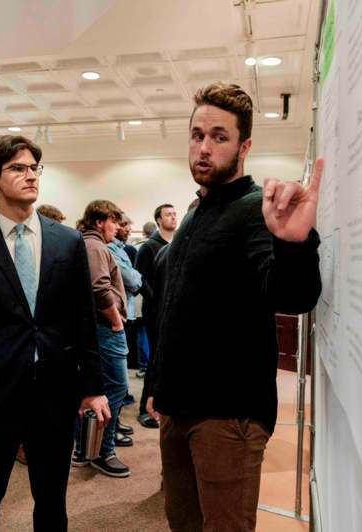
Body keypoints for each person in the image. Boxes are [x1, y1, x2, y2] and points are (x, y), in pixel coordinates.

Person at [146, 83, 323, 531]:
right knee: (182, 523)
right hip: (177, 409)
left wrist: (293, 243)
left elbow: (293, 296)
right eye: (197, 134)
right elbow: (172, 311)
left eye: (219, 137)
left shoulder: (252, 210)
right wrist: (157, 387)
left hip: (228, 416)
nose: (204, 147)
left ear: (244, 146)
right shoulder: (194, 213)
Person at [0, 135, 109, 531]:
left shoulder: (67, 241)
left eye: (35, 167)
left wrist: (92, 387)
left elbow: (83, 321)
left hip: (54, 392)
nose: (31, 175)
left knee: (52, 500)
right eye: (18, 168)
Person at [73, 200, 132, 477]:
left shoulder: (86, 244)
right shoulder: (95, 246)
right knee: (115, 388)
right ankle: (101, 451)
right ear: (99, 221)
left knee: (97, 389)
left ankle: (86, 448)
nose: (117, 227)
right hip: (105, 328)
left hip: (99, 328)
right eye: (114, 221)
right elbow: (100, 288)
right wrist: (116, 320)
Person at [135, 203, 177, 427]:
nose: (172, 217)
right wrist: (157, 298)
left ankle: (162, 405)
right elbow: (139, 279)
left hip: (172, 311)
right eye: (168, 214)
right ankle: (145, 408)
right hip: (154, 312)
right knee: (154, 360)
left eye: (174, 214)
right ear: (158, 220)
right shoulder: (148, 247)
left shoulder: (179, 243)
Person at [107, 216, 143, 444]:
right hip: (115, 317)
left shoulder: (119, 248)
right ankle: (107, 435)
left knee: (118, 380)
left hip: (124, 313)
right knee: (115, 380)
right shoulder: (109, 249)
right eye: (122, 225)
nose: (127, 229)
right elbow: (132, 279)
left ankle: (115, 422)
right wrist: (136, 278)